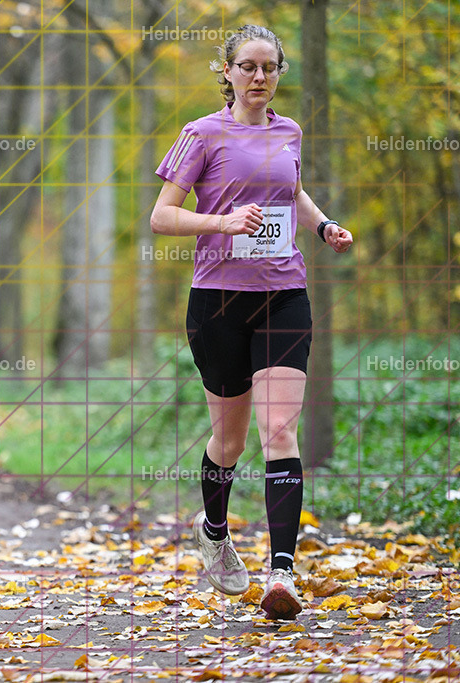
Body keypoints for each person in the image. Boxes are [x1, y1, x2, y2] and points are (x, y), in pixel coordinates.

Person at [151, 25, 353, 620]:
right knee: (231, 441)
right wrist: (223, 223)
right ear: (229, 71)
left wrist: (321, 227)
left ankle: (282, 572)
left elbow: (292, 192)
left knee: (280, 432)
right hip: (217, 300)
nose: (259, 76)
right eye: (248, 66)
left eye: (270, 67)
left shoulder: (288, 131)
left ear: (280, 72)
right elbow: (162, 217)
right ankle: (214, 528)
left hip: (284, 293)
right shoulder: (202, 133)